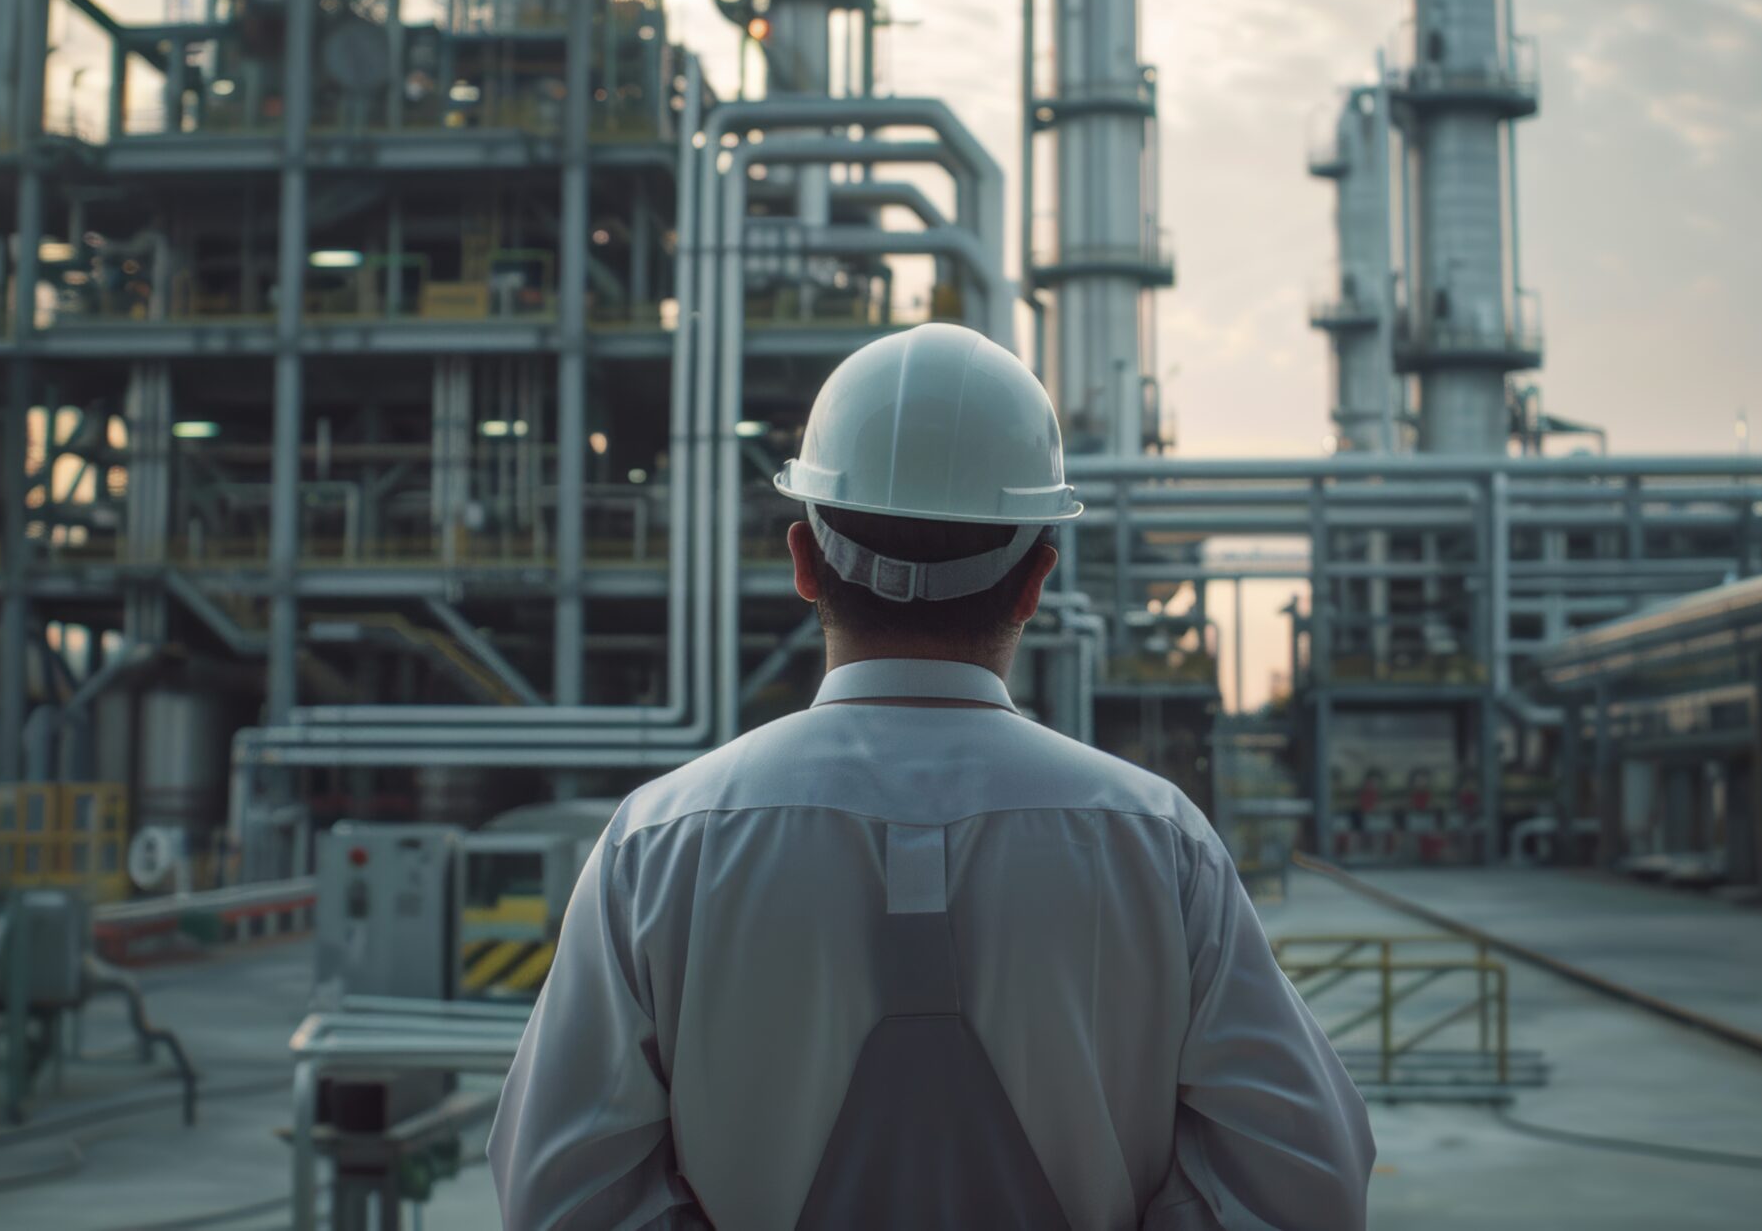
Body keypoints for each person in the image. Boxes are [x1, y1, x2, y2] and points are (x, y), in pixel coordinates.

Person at [488, 324, 1373, 1229]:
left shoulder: (656, 844)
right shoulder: (1162, 842)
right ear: (1034, 581)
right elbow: (1307, 1184)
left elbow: (560, 1199)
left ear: (803, 560)